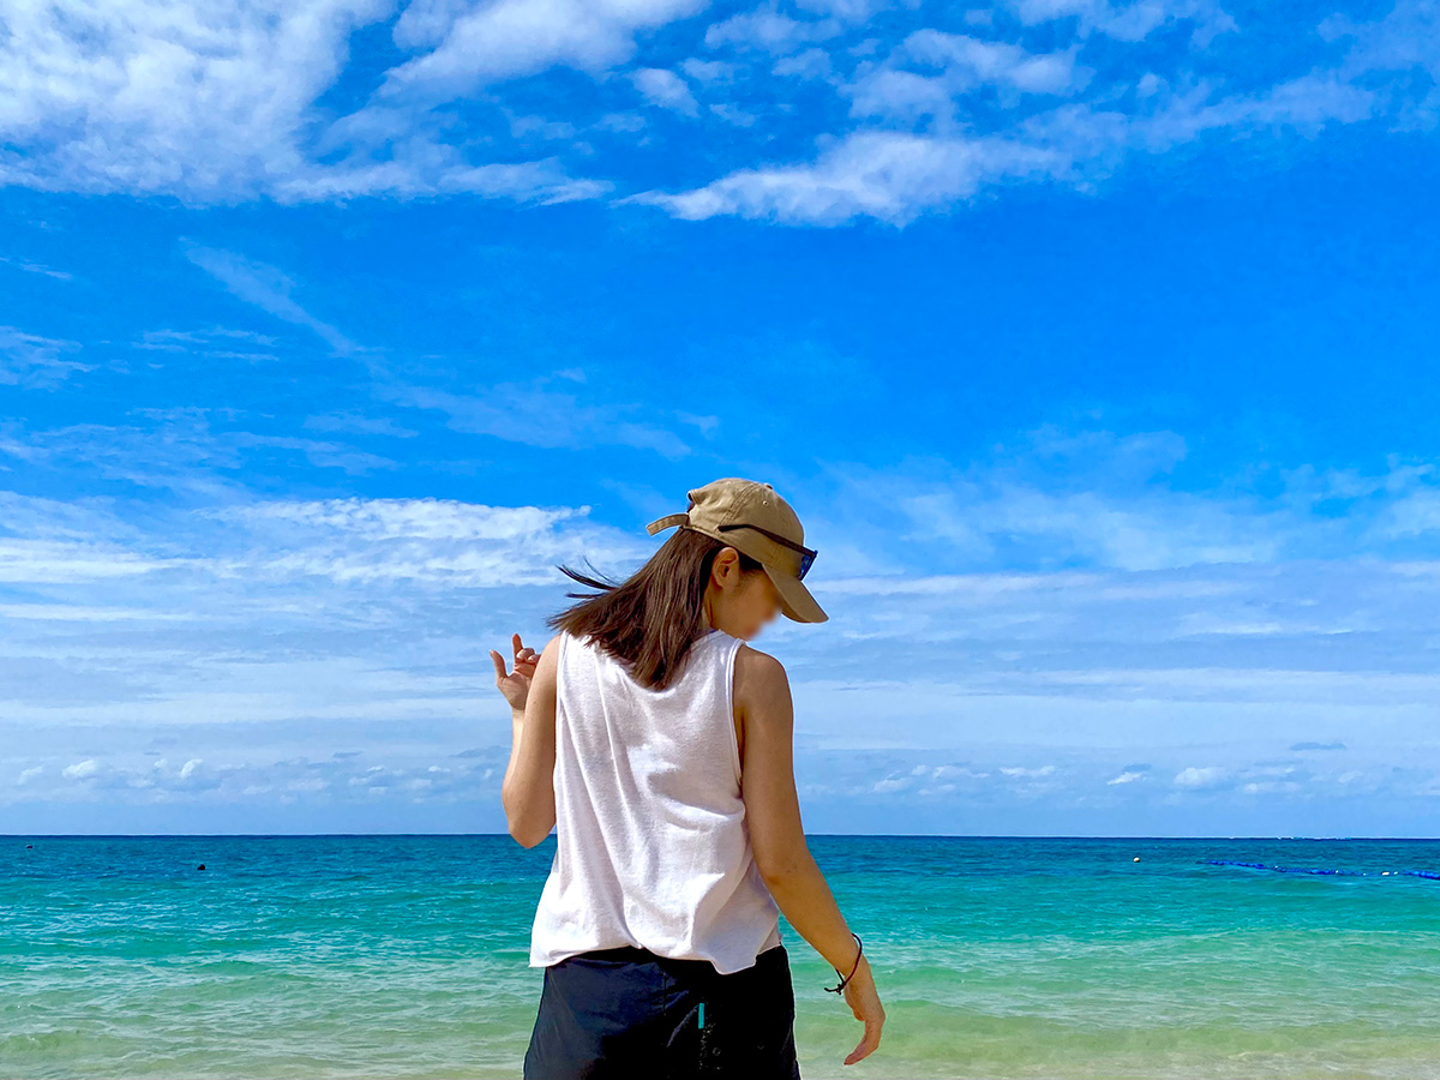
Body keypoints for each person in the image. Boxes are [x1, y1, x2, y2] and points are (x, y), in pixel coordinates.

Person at [491, 477, 885, 1078]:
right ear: (726, 567)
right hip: (722, 996)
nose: (772, 619)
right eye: (772, 596)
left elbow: (525, 824)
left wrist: (523, 715)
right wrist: (853, 968)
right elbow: (781, 863)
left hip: (585, 1003)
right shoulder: (753, 676)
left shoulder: (563, 654)